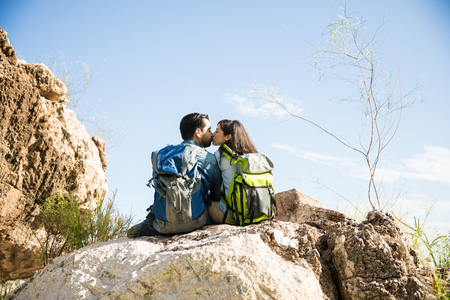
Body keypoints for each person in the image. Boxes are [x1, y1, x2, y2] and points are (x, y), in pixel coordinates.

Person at [127, 113, 222, 237]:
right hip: (197, 221)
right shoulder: (209, 158)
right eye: (209, 130)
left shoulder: (162, 156)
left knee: (133, 231)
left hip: (162, 224)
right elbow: (216, 195)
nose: (211, 134)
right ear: (198, 132)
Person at [208, 119, 258, 224]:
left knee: (204, 201)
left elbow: (215, 189)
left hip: (234, 216)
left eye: (217, 131)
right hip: (257, 213)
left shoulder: (220, 155)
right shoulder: (251, 155)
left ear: (228, 137)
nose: (213, 134)